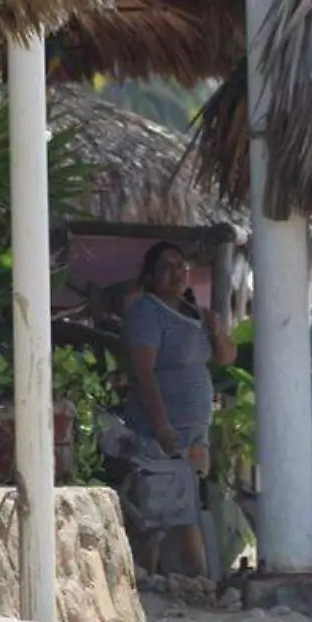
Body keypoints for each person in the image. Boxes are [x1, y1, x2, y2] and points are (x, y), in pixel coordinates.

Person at [123, 241, 237, 575]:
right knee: (160, 511)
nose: (177, 273)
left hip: (195, 435)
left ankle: (192, 578)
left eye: (181, 266)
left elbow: (226, 358)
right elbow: (144, 373)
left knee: (187, 504)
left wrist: (217, 331)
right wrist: (161, 425)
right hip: (162, 433)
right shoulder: (147, 312)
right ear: (151, 275)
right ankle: (184, 577)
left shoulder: (195, 314)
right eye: (167, 267)